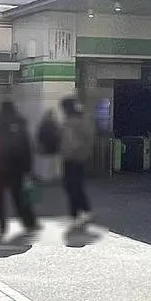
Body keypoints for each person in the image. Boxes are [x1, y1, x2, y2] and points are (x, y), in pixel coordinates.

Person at [0, 99, 38, 240]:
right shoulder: (20, 123)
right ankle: (29, 222)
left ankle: (2, 225)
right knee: (19, 197)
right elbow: (27, 147)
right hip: (16, 168)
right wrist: (28, 168)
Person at [59, 95, 95, 228]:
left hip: (75, 157)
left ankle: (77, 213)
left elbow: (87, 138)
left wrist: (80, 149)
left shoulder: (78, 120)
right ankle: (82, 211)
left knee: (73, 186)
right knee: (72, 185)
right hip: (70, 157)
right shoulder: (73, 119)